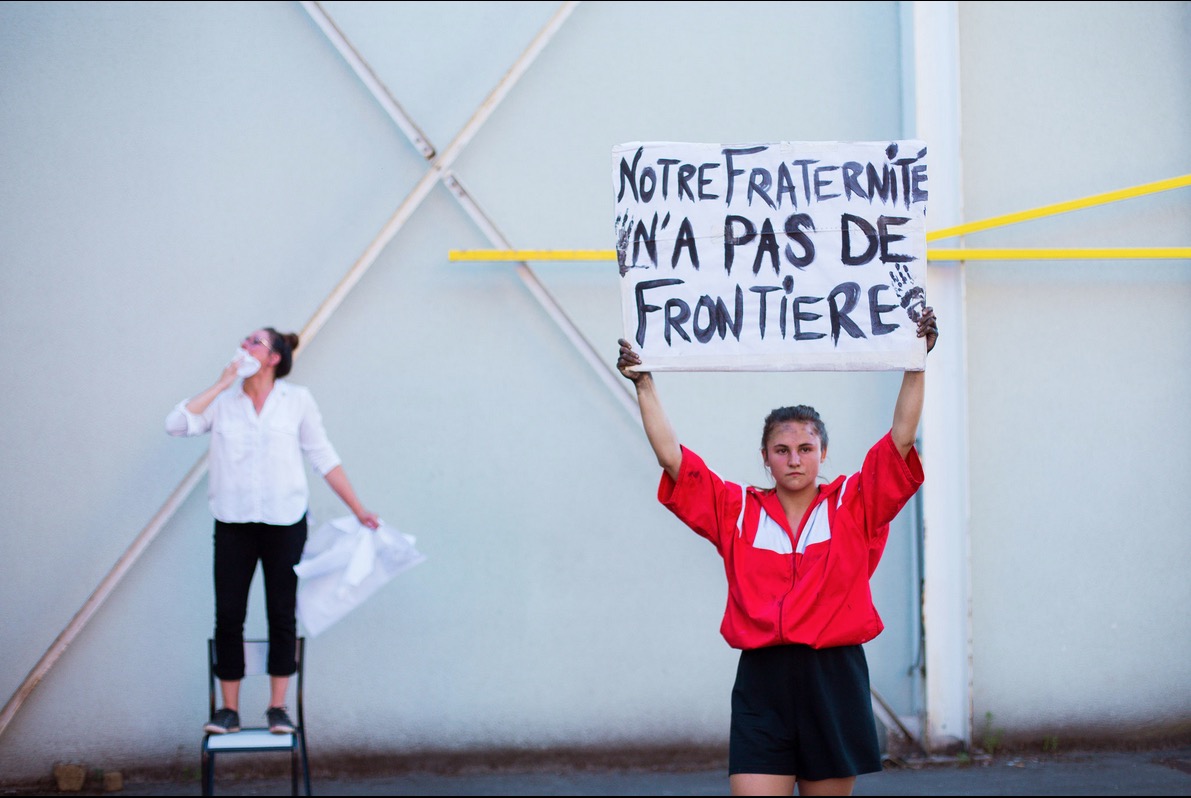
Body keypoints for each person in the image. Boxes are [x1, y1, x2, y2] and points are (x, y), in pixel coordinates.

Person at [616, 307, 939, 797]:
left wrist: (915, 361)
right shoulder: (736, 509)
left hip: (833, 677)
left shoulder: (854, 504)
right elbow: (673, 459)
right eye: (782, 449)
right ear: (764, 456)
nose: (794, 458)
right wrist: (644, 383)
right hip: (762, 682)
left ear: (823, 454)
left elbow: (901, 438)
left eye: (805, 448)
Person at [166, 327, 378, 736]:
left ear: (274, 358)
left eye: (254, 343)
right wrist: (223, 382)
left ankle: (278, 707)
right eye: (243, 341)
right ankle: (228, 710)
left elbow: (323, 456)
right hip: (233, 524)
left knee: (281, 614)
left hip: (285, 524)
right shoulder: (224, 403)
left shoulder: (296, 401)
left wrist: (359, 509)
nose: (244, 346)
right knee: (228, 615)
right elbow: (177, 424)